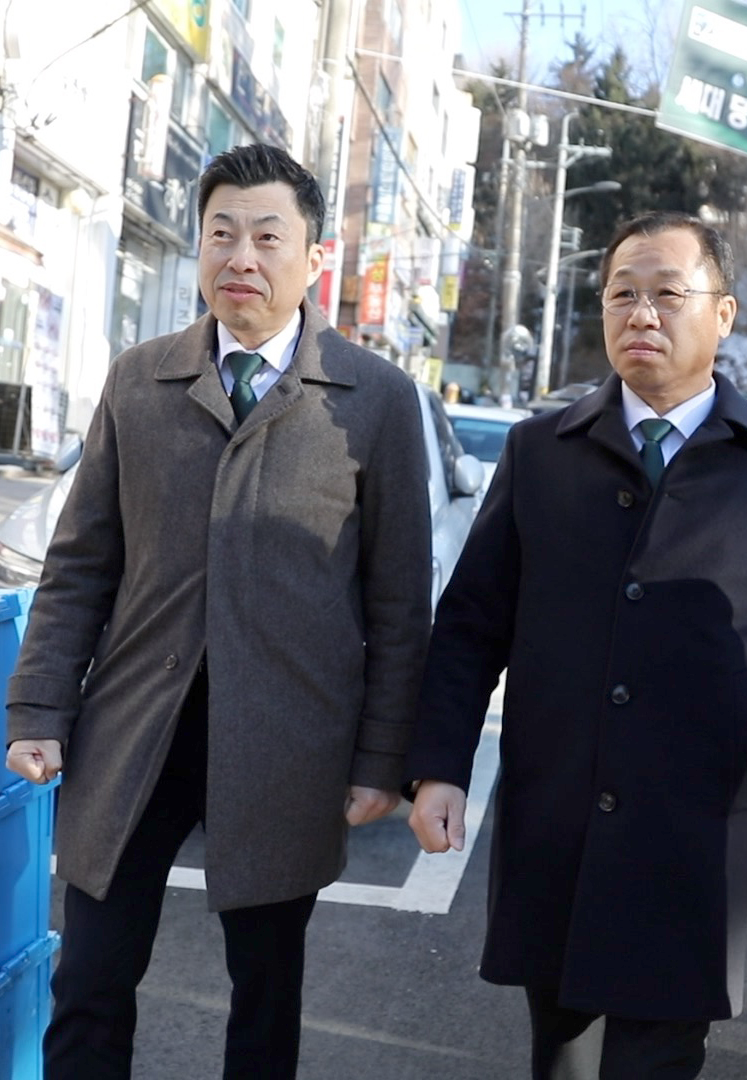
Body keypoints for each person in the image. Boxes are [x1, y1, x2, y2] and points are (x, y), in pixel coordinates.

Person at [3, 144, 432, 1079]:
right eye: (221, 233)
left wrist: (381, 761)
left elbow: (400, 606)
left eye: (268, 235)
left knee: (264, 996)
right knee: (93, 980)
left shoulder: (378, 401)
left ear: (313, 258)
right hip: (133, 733)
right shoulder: (139, 380)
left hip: (288, 743)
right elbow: (81, 563)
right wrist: (37, 709)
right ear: (198, 250)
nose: (242, 255)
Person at [407, 209, 747, 1080]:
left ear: (722, 315)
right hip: (557, 818)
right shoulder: (540, 452)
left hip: (692, 838)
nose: (640, 314)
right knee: (560, 1058)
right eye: (620, 295)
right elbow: (468, 626)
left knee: (659, 1062)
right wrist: (440, 767)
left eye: (667, 295)